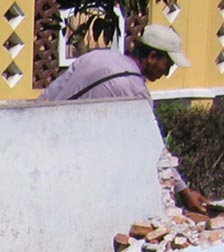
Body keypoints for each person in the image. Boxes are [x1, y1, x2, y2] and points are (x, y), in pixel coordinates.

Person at [40, 23, 209, 212]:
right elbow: (154, 149)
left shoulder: (97, 56)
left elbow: (48, 97)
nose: (167, 73)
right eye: (167, 65)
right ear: (152, 57)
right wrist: (185, 193)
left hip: (45, 146)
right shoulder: (136, 93)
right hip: (79, 169)